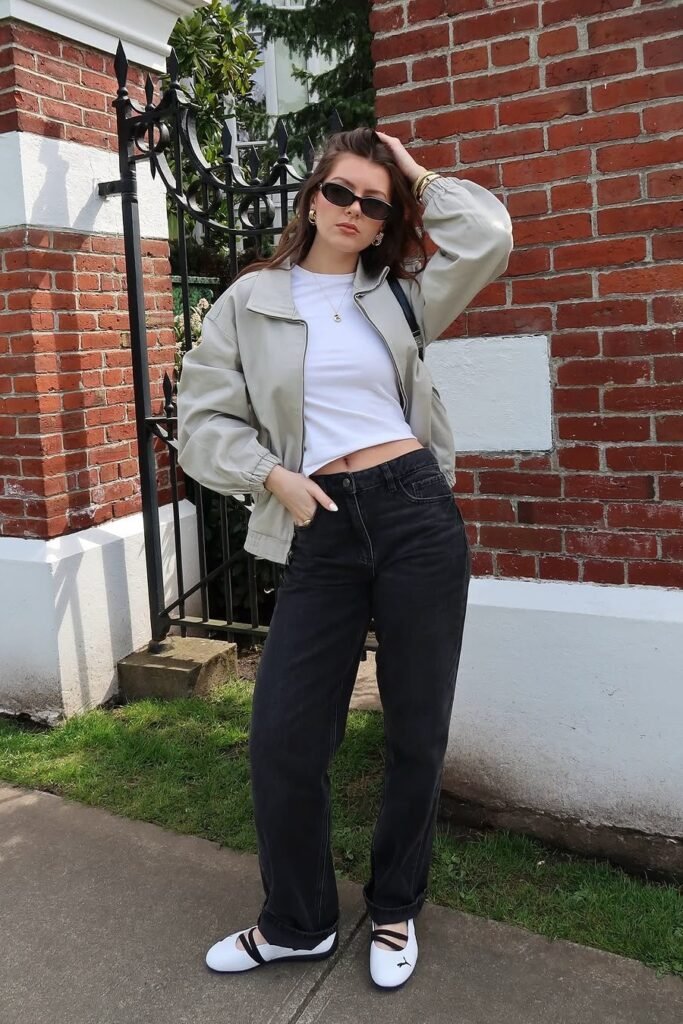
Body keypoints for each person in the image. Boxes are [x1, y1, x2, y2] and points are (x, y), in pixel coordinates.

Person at [176, 127, 513, 989]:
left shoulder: (401, 293)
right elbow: (202, 425)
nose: (355, 212)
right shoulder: (248, 302)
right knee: (284, 739)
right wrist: (270, 476)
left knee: (415, 729)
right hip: (316, 520)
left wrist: (416, 172)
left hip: (413, 512)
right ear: (309, 196)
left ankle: (395, 907)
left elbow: (488, 235)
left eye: (375, 202)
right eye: (340, 193)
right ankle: (298, 922)